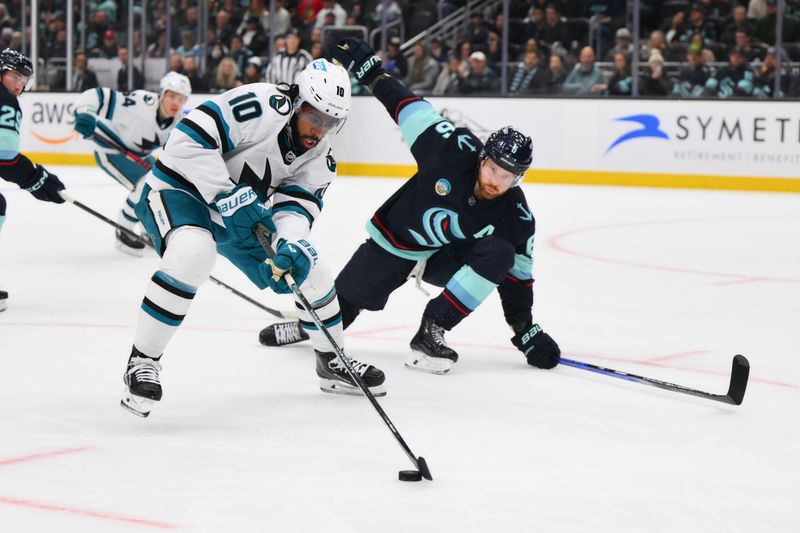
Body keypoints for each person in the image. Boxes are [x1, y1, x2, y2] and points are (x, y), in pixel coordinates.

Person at [261, 39, 561, 377]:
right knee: (339, 311)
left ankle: (432, 329)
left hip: (446, 258)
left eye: (507, 176)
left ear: (519, 178)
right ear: (482, 157)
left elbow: (518, 279)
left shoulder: (516, 215)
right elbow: (405, 105)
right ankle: (308, 327)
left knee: (501, 254)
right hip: (397, 241)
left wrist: (524, 331)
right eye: (492, 168)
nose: (496, 180)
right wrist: (370, 71)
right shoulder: (449, 148)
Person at [119, 58, 385, 417]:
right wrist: (225, 194)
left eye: (330, 122)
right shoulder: (260, 105)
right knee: (194, 252)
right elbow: (185, 141)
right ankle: (142, 361)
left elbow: (294, 212)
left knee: (310, 270)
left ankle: (331, 360)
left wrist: (289, 244)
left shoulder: (321, 160)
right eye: (314, 116)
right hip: (179, 189)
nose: (318, 130)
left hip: (238, 213)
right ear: (297, 100)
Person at [72, 72, 191, 255]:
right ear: (162, 93)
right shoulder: (140, 103)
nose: (176, 103)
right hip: (110, 152)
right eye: (172, 96)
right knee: (146, 185)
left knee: (163, 185)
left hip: (140, 156)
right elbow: (98, 96)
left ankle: (149, 230)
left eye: (181, 99)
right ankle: (124, 230)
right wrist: (85, 114)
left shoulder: (179, 123)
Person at [0, 49, 66, 312]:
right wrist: (37, 179)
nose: (19, 85)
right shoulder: (5, 101)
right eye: (15, 76)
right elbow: (5, 160)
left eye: (24, 80)